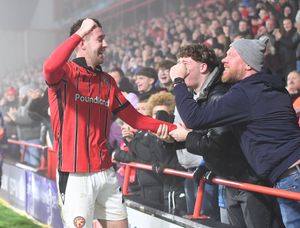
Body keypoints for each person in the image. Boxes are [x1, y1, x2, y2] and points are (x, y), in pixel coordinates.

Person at [43, 18, 176, 228]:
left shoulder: (107, 81)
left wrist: (175, 129)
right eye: (100, 39)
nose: (105, 44)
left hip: (106, 171)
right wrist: (82, 31)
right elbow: (49, 67)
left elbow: (136, 119)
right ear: (82, 43)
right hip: (75, 174)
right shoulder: (65, 73)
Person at [167, 37, 300, 228]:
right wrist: (206, 164)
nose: (224, 60)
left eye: (231, 55)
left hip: (290, 176)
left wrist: (178, 82)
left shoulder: (246, 93)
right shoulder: (264, 88)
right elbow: (232, 138)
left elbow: (194, 119)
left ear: (247, 64)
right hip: (289, 174)